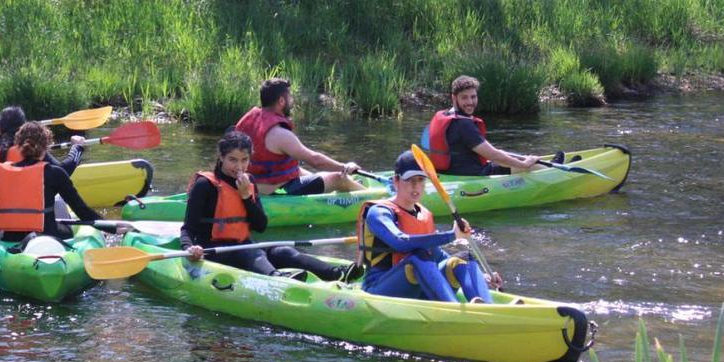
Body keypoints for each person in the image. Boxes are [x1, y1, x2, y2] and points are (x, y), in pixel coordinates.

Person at [182, 131, 347, 281]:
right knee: (252, 251)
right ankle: (277, 279)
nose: (239, 167)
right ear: (221, 157)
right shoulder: (205, 185)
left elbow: (261, 226)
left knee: (283, 251)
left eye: (244, 160)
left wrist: (246, 196)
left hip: (243, 245)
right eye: (232, 160)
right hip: (213, 250)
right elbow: (187, 229)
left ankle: (337, 273)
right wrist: (190, 248)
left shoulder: (249, 183)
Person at [356, 151, 499, 303]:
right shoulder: (379, 213)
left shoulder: (423, 214)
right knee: (418, 259)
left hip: (418, 285)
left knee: (463, 259)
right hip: (381, 288)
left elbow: (437, 254)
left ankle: (489, 308)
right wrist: (451, 235)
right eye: (410, 180)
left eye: (420, 180)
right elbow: (400, 242)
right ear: (396, 181)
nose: (416, 186)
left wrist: (480, 277)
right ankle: (453, 310)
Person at [0, 122, 111, 243]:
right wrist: (112, 228)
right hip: (48, 238)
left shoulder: (2, 174)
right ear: (46, 147)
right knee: (59, 204)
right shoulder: (55, 173)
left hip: (9, 240)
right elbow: (83, 212)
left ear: (18, 146)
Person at [234, 78, 365, 196]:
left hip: (253, 185)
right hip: (277, 191)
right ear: (281, 101)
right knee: (339, 178)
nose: (292, 100)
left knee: (299, 170)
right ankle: (374, 199)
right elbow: (316, 161)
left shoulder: (248, 120)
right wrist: (345, 167)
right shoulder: (279, 134)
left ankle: (348, 183)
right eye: (290, 96)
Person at [421, 75, 551, 176]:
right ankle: (552, 169)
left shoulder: (443, 115)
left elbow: (490, 152)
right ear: (454, 98)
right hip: (475, 176)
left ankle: (552, 163)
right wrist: (524, 164)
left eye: (473, 97)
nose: (470, 102)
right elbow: (493, 155)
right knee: (534, 167)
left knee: (508, 159)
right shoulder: (464, 125)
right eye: (464, 98)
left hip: (448, 174)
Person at [0, 106, 87, 203]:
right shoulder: (31, 148)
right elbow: (63, 171)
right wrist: (77, 147)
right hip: (33, 212)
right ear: (24, 128)